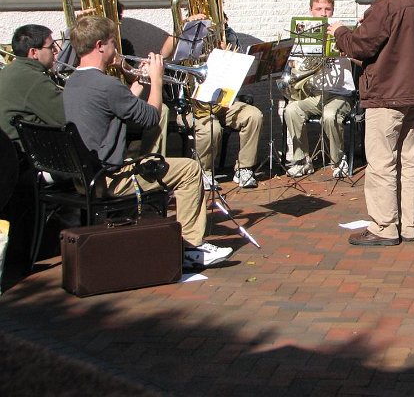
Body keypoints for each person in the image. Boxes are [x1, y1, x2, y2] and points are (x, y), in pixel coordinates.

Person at [62, 15, 232, 268]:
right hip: (110, 178)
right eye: (112, 43)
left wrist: (140, 80)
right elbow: (152, 117)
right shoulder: (107, 85)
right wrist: (157, 79)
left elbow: (124, 106)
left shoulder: (74, 81)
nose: (116, 49)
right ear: (99, 46)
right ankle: (189, 247)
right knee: (189, 169)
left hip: (85, 177)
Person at [328, 0, 414, 246]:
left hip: (387, 94)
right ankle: (410, 225)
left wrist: (340, 31)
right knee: (409, 161)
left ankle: (385, 227)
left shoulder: (388, 2)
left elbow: (360, 47)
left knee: (381, 163)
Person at [161, 14, 263, 189]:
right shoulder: (188, 31)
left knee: (253, 115)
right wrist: (184, 26)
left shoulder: (227, 34)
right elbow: (163, 56)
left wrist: (229, 57)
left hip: (221, 100)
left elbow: (237, 75)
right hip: (190, 104)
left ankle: (244, 168)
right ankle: (203, 172)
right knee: (212, 128)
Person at [284, 0, 356, 178]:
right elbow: (293, 64)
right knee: (291, 110)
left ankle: (338, 161)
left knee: (330, 115)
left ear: (333, 11)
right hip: (315, 93)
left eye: (327, 9)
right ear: (311, 11)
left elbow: (359, 56)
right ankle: (302, 160)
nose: (323, 13)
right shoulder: (305, 33)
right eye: (319, 9)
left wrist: (346, 52)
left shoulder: (343, 32)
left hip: (341, 93)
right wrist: (303, 58)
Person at [0, 25, 65, 143]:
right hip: (32, 153)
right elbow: (66, 117)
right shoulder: (34, 79)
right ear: (34, 52)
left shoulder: (9, 70)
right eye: (51, 47)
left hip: (14, 150)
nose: (56, 51)